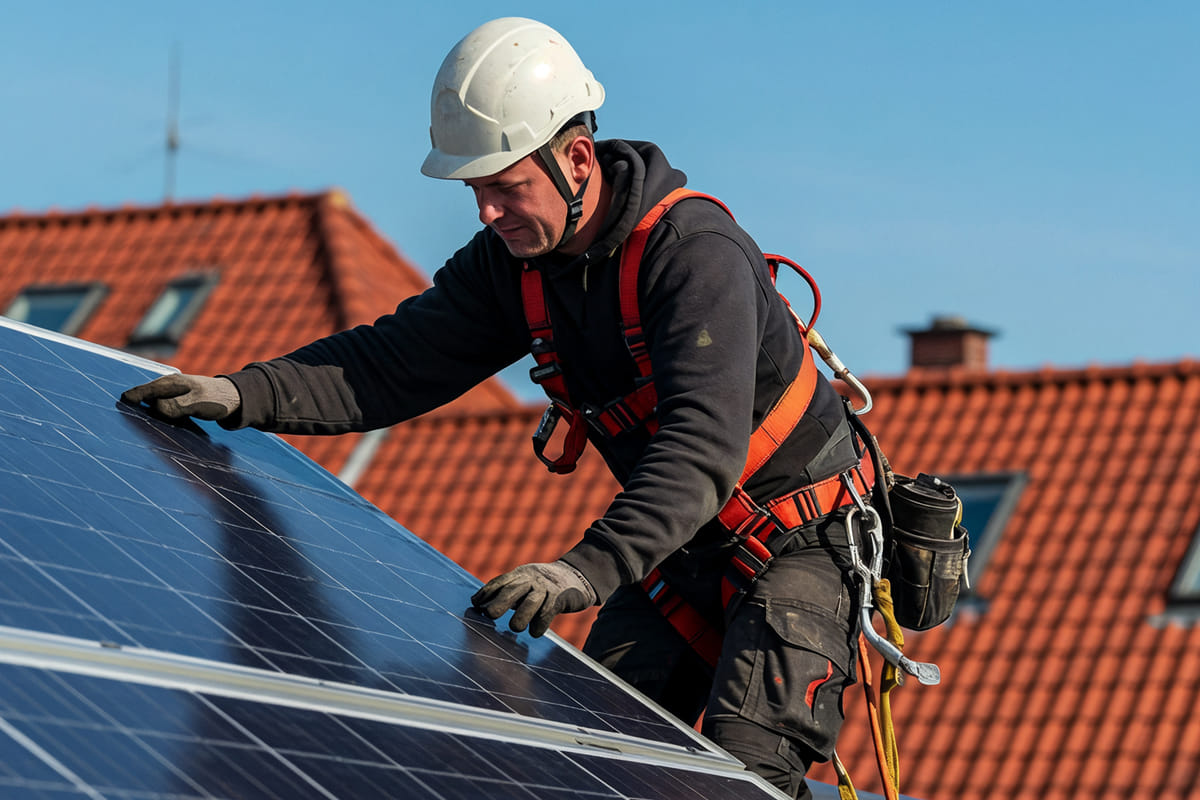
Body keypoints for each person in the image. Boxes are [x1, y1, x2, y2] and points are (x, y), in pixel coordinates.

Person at [121, 17, 872, 798]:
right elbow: (392, 362)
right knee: (585, 757)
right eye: (476, 189)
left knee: (738, 780)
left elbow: (701, 448)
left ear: (577, 158)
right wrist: (244, 393)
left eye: (506, 186)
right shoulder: (515, 264)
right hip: (679, 559)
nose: (486, 211)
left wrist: (583, 571)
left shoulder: (693, 254)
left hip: (801, 549)